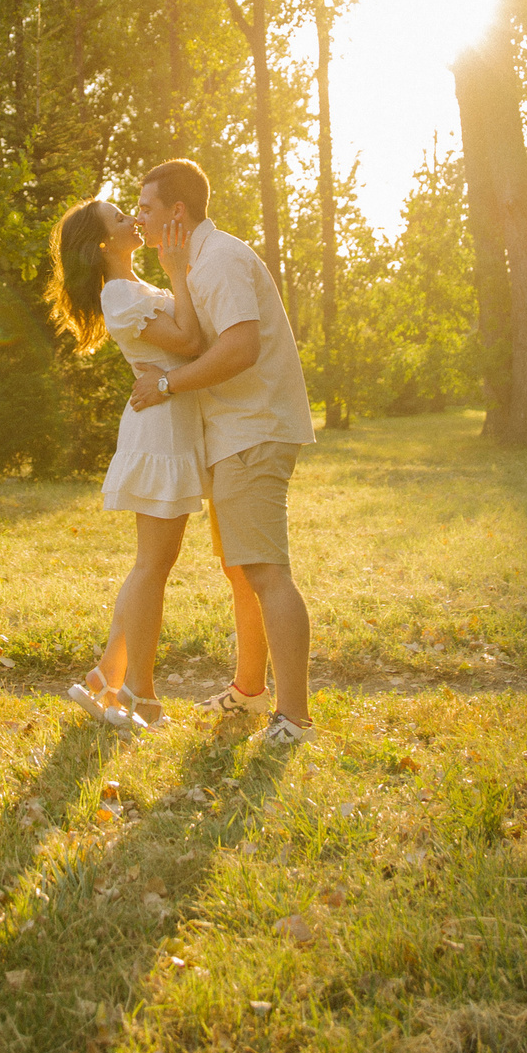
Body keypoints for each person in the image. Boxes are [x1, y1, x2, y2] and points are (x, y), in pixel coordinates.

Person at [128, 158, 318, 746]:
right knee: (242, 569)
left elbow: (240, 349)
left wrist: (164, 385)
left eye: (146, 207)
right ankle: (250, 690)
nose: (138, 218)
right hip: (233, 433)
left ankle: (295, 718)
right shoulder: (195, 264)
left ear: (176, 212)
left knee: (265, 570)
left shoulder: (221, 261)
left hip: (254, 430)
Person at [45, 195, 210, 731]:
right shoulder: (118, 293)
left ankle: (104, 678)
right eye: (121, 218)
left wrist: (175, 276)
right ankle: (142, 694)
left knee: (152, 565)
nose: (133, 219)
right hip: (158, 433)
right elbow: (188, 341)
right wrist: (180, 272)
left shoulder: (132, 288)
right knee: (153, 566)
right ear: (103, 244)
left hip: (169, 423)